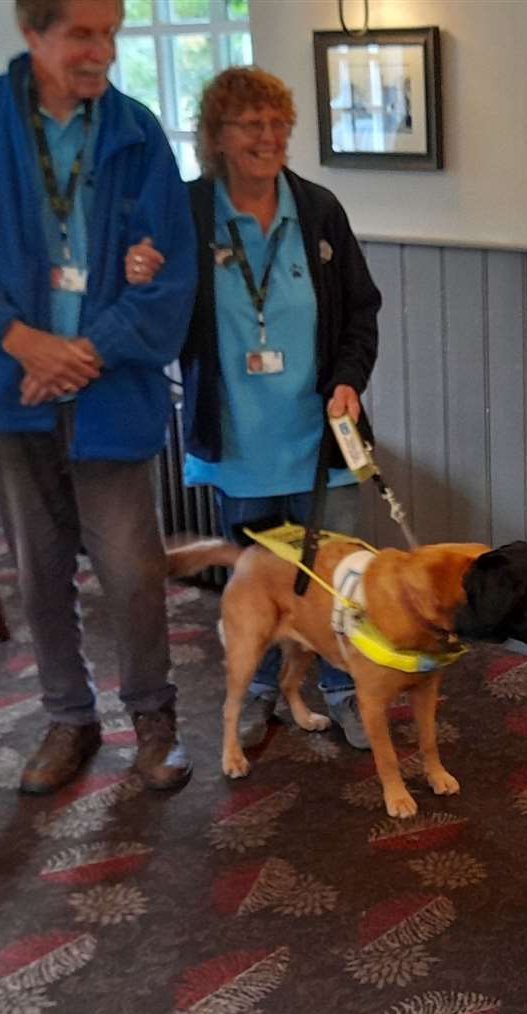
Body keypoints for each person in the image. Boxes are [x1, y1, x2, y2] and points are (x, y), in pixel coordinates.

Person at [0, 0, 199, 795]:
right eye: (84, 33)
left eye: (113, 33)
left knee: (134, 570)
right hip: (9, 389)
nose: (103, 52)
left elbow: (170, 269)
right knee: (40, 571)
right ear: (33, 33)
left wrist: (82, 353)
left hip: (111, 391)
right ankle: (67, 718)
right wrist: (24, 344)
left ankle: (153, 720)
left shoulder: (137, 131)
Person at [127, 66, 382, 751]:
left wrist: (350, 378)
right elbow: (159, 307)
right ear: (215, 137)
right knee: (257, 578)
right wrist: (143, 274)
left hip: (321, 437)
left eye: (277, 124)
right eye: (249, 125)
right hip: (240, 441)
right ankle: (263, 687)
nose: (267, 137)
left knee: (339, 579)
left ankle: (345, 689)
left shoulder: (319, 210)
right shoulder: (187, 213)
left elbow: (362, 309)